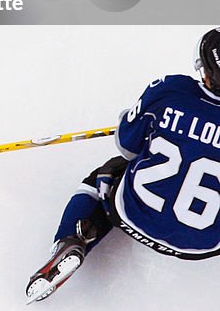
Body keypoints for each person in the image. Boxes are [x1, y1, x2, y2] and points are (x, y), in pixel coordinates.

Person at [26, 28, 220, 303]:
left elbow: (128, 146)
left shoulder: (170, 90)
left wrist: (140, 121)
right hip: (202, 247)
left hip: (131, 217)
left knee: (104, 176)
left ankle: (71, 239)